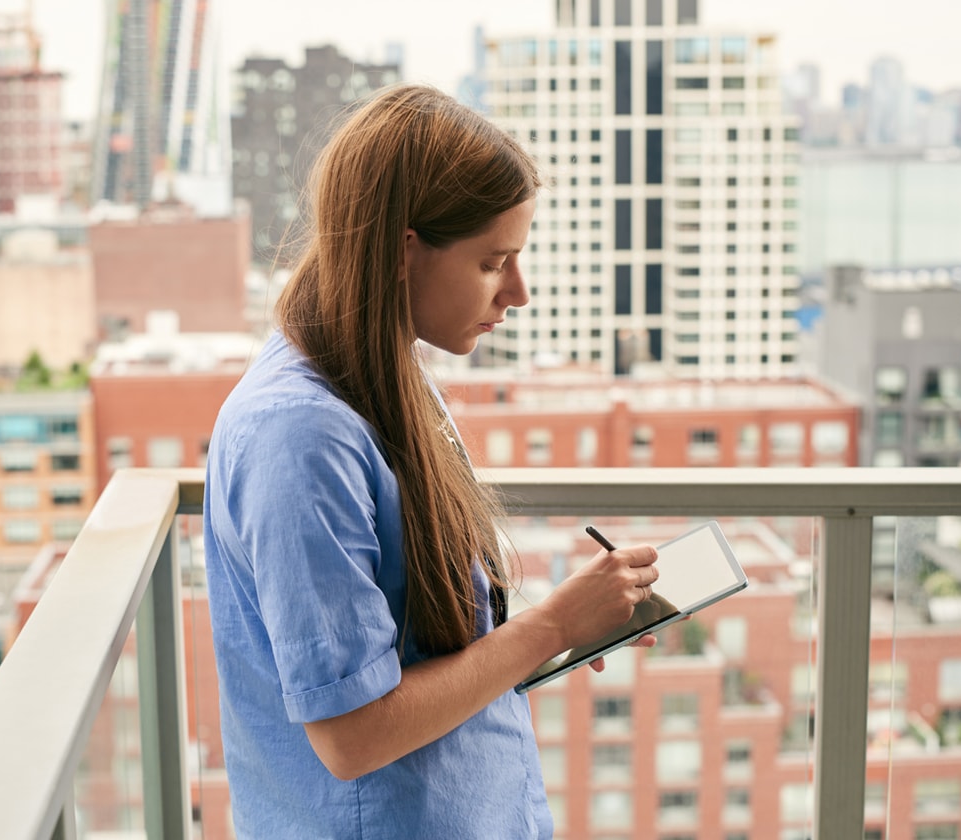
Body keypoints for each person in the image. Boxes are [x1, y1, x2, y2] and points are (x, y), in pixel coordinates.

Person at [202, 83, 660, 839]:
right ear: (403, 249)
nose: (519, 292)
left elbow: (418, 642)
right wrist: (547, 628)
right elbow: (352, 737)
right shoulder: (300, 438)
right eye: (493, 262)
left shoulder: (390, 376)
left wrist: (573, 621)